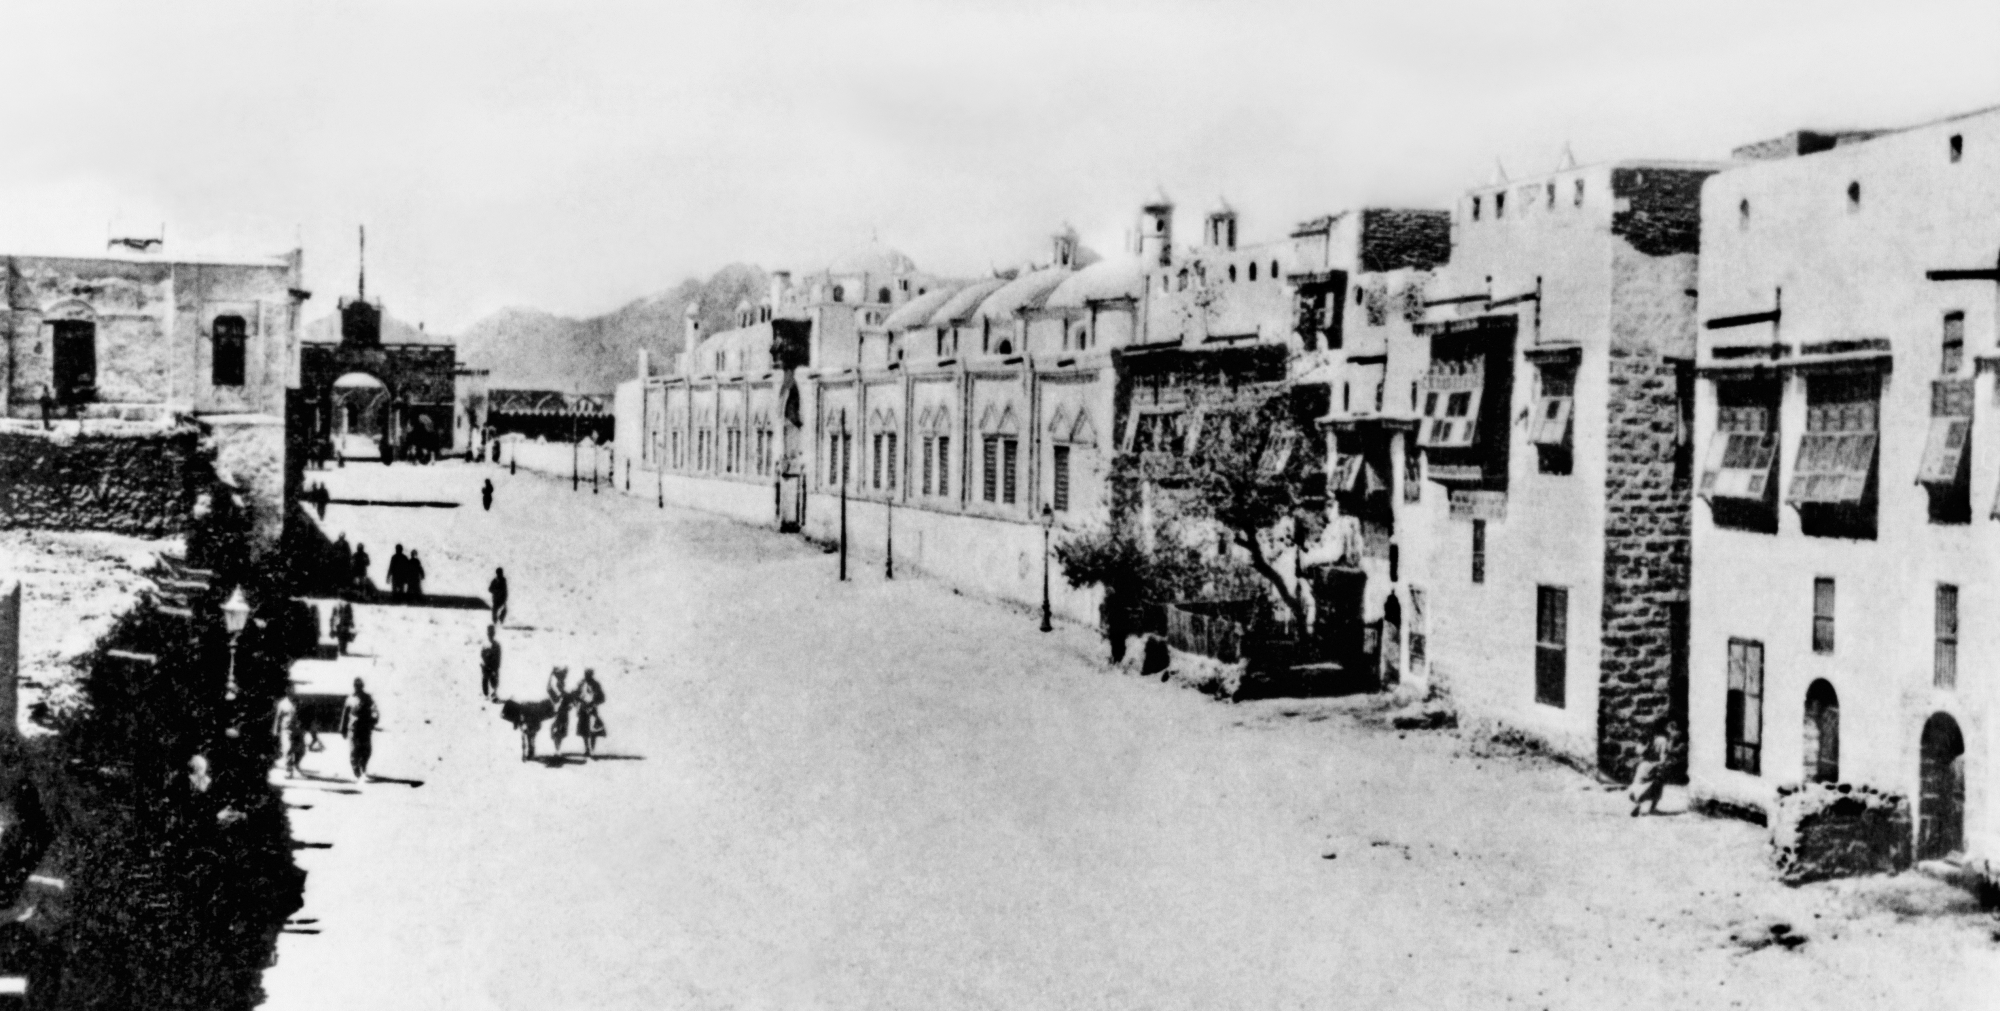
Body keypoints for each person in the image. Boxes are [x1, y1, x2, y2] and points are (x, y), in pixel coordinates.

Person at [1628, 719, 1679, 817]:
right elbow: (1663, 757)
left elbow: (1638, 752)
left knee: (1640, 785)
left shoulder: (1644, 740)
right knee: (1657, 787)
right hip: (1655, 766)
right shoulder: (1662, 740)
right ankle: (1652, 809)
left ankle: (1638, 803)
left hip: (1643, 766)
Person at [339, 678, 380, 782]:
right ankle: (356, 772)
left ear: (362, 686)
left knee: (367, 750)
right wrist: (342, 729)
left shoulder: (368, 698)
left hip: (365, 728)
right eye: (356, 686)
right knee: (354, 751)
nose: (358, 688)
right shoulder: (350, 699)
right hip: (353, 729)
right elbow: (345, 715)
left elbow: (374, 710)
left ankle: (363, 768)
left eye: (360, 686)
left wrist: (374, 719)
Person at [274, 687, 307, 778]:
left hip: (298, 730)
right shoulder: (282, 704)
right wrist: (275, 730)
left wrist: (304, 727)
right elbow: (278, 718)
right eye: (289, 692)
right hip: (287, 730)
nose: (291, 693)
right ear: (286, 692)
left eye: (292, 691)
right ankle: (289, 770)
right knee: (288, 749)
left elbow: (303, 715)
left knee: (301, 750)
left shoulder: (298, 702)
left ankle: (296, 765)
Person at [574, 668, 607, 757]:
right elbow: (575, 695)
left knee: (593, 730)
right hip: (582, 709)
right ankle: (586, 749)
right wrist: (579, 701)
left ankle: (592, 749)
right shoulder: (581, 683)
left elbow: (602, 698)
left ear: (592, 675)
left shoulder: (596, 685)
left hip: (592, 709)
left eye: (589, 675)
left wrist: (593, 703)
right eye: (586, 674)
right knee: (583, 730)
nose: (587, 676)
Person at [545, 667, 572, 756]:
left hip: (563, 716)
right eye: (559, 684)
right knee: (556, 733)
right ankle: (557, 750)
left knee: (560, 734)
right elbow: (548, 688)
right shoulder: (556, 694)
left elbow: (571, 705)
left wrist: (568, 706)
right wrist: (550, 675)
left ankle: (558, 750)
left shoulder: (567, 695)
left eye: (561, 684)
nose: (560, 686)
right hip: (557, 716)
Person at [479, 625, 502, 701]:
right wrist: (484, 663)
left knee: (494, 679)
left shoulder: (497, 645)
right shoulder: (485, 645)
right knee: (485, 679)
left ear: (494, 634)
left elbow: (498, 658)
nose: (490, 635)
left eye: (492, 633)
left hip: (493, 667)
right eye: (489, 633)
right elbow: (482, 655)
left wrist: (495, 667)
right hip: (486, 666)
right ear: (487, 634)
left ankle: (494, 693)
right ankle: (486, 694)